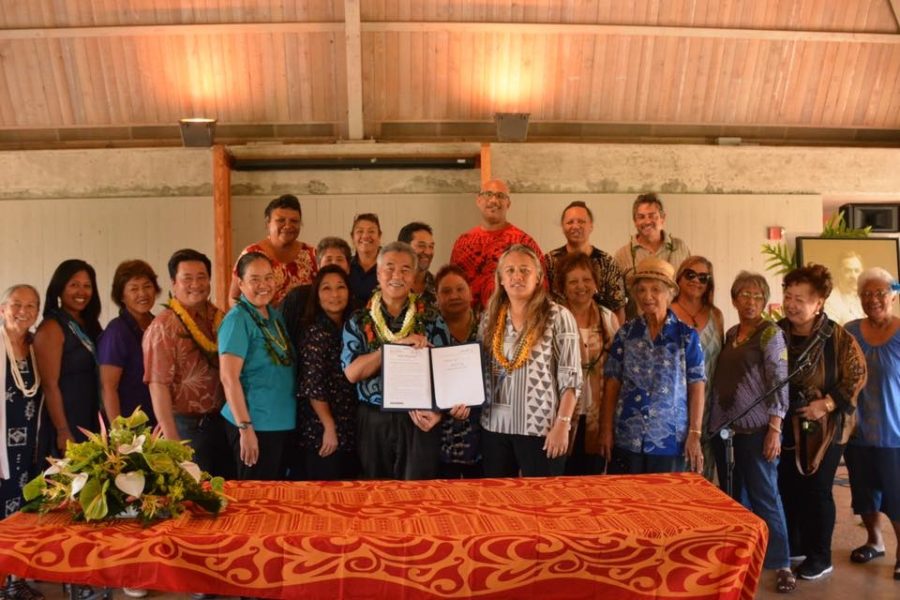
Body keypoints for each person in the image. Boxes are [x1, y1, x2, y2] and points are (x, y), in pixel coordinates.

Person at [778, 263, 866, 581]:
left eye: (801, 298)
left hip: (828, 427)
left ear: (819, 303)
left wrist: (825, 404)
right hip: (788, 424)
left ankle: (820, 556)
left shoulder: (838, 337)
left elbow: (857, 374)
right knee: (788, 485)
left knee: (816, 489)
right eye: (788, 296)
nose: (792, 304)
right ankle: (798, 545)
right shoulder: (776, 332)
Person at [708, 272, 794, 594]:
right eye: (743, 294)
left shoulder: (769, 334)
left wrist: (775, 427)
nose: (750, 301)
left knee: (765, 496)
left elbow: (778, 381)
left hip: (758, 429)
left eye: (757, 296)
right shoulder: (731, 333)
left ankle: (781, 563)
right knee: (734, 498)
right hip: (725, 431)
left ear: (764, 300)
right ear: (733, 299)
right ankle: (743, 560)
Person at [479, 245, 582, 477]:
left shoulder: (558, 316)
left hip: (542, 430)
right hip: (494, 427)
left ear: (538, 278)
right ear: (501, 279)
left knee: (541, 505)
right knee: (498, 503)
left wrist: (562, 424)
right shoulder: (489, 318)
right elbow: (477, 370)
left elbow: (572, 378)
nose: (517, 276)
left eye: (525, 270)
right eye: (510, 270)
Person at [342, 241, 442, 480]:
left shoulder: (431, 318)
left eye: (406, 269)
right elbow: (352, 373)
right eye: (389, 268)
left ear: (415, 274)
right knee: (375, 493)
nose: (397, 275)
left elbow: (446, 373)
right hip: (374, 418)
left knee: (418, 494)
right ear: (378, 273)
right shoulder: (358, 319)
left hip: (419, 420)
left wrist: (439, 414)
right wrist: (394, 348)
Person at [601, 256, 705, 475]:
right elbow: (612, 383)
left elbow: (697, 387)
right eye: (641, 290)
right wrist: (606, 430)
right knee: (626, 503)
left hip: (670, 440)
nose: (647, 297)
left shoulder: (687, 336)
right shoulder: (626, 333)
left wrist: (695, 433)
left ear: (670, 293)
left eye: (655, 289)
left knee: (663, 505)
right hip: (627, 437)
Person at [143, 249, 232, 479]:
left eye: (201, 277)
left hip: (222, 423)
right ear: (173, 283)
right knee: (194, 497)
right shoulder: (164, 326)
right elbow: (158, 385)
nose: (196, 284)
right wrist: (173, 441)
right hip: (186, 427)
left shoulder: (219, 317)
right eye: (187, 278)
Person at [843, 267, 900, 581]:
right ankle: (874, 542)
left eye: (880, 293)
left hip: (895, 431)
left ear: (893, 295)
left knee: (897, 495)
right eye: (867, 294)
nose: (873, 299)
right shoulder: (850, 331)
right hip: (858, 430)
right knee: (864, 493)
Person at [220, 252, 296, 481]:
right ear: (240, 284)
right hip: (254, 425)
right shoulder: (237, 319)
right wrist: (245, 428)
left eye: (268, 277)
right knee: (256, 501)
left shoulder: (274, 316)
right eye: (254, 279)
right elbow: (228, 378)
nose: (263, 285)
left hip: (282, 423)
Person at [555, 253, 619, 475]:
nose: (580, 286)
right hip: (558, 417)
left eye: (586, 280)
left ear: (596, 283)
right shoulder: (553, 318)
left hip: (597, 416)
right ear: (562, 286)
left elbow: (615, 375)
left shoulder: (608, 319)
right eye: (572, 281)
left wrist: (608, 426)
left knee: (591, 484)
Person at [0, 285, 44, 600]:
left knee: (19, 512)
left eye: (31, 305)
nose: (23, 311)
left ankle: (14, 581)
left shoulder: (33, 346)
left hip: (27, 445)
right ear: (3, 308)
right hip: (1, 446)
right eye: (16, 304)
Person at [295, 265, 359, 480]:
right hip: (323, 430)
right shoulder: (315, 331)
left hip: (349, 425)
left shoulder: (353, 328)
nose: (335, 294)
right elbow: (313, 386)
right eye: (326, 288)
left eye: (341, 287)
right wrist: (329, 427)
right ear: (317, 295)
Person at [34, 259, 102, 460]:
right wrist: (63, 431)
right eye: (74, 285)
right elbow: (49, 385)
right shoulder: (52, 327)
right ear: (59, 288)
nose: (81, 292)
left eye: (87, 286)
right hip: (67, 420)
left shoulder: (89, 323)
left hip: (90, 416)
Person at [451, 179, 545, 308]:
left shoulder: (524, 242)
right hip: (470, 323)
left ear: (508, 204)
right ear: (478, 201)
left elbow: (542, 286)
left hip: (513, 323)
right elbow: (452, 285)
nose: (494, 200)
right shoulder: (463, 243)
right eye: (488, 194)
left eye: (500, 196)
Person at [672, 256, 724, 482]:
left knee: (703, 472)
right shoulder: (667, 311)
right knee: (676, 473)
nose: (696, 281)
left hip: (709, 406)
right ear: (679, 278)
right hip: (676, 407)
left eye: (703, 277)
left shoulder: (716, 315)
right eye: (690, 275)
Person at [432, 264, 484, 479]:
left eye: (460, 289)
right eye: (446, 291)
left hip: (482, 431)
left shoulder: (487, 327)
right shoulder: (427, 331)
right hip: (439, 432)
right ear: (436, 297)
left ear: (470, 292)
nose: (454, 295)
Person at [98, 260, 161, 426]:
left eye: (147, 286)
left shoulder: (160, 325)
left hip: (160, 423)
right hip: (129, 428)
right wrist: (119, 433)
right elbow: (108, 388)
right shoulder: (116, 331)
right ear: (122, 296)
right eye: (134, 288)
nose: (142, 294)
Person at [545, 201, 626, 324]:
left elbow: (618, 307)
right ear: (562, 227)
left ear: (591, 226)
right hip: (559, 330)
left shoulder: (607, 262)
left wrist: (615, 338)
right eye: (570, 222)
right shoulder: (549, 261)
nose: (576, 226)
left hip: (599, 334)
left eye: (581, 221)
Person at [228, 194, 317, 307]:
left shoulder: (312, 255)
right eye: (281, 220)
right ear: (267, 223)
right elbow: (233, 297)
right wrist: (252, 320)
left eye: (294, 221)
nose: (288, 226)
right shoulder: (251, 253)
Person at [614, 193, 692, 319]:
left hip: (676, 329)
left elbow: (690, 290)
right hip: (638, 332)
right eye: (641, 217)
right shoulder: (622, 255)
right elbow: (618, 301)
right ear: (635, 221)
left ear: (662, 218)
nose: (647, 221)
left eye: (652, 216)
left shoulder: (681, 248)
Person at [282, 236, 353, 345]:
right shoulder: (297, 298)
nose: (334, 264)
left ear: (348, 267)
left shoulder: (355, 302)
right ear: (318, 266)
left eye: (339, 259)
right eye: (328, 259)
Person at [398, 221, 437, 306]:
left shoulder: (440, 286)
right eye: (421, 246)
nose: (428, 252)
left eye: (431, 247)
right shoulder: (390, 287)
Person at [348, 213, 382, 306]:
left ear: (379, 236)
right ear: (352, 238)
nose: (365, 236)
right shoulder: (346, 266)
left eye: (371, 231)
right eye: (360, 231)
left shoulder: (389, 267)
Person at [824, 251, 865, 325]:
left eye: (857, 271)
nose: (853, 276)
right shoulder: (831, 300)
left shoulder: (866, 296)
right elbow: (832, 333)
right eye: (848, 271)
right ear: (839, 273)